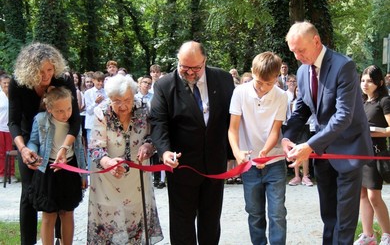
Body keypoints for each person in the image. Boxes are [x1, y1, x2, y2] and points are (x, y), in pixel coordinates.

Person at [282, 21, 373, 244]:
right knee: (329, 216)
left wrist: (310, 145)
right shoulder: (303, 70)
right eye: (293, 51)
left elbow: (344, 115)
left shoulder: (344, 66)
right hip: (323, 154)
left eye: (300, 50)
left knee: (344, 219)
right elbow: (302, 108)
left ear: (316, 41)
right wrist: (287, 136)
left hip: (349, 151)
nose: (297, 56)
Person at [150, 41, 234, 244]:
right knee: (182, 222)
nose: (189, 72)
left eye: (195, 68)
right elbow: (158, 122)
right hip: (182, 165)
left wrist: (233, 154)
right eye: (183, 66)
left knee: (211, 220)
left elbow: (232, 119)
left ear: (205, 61)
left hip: (215, 164)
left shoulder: (223, 79)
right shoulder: (164, 85)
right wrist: (164, 152)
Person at [8, 42, 81, 245]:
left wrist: (65, 147)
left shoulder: (63, 80)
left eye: (49, 70)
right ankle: (28, 242)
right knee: (29, 193)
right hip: (29, 142)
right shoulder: (18, 84)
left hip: (60, 143)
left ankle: (59, 239)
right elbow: (13, 121)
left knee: (59, 196)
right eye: (40, 72)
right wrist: (23, 150)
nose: (46, 75)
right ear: (29, 71)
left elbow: (75, 119)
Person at [87, 74, 163, 244]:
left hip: (137, 172)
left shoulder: (143, 106)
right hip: (107, 174)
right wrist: (107, 162)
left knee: (136, 215)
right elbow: (95, 147)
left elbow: (153, 135)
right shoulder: (102, 111)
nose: (123, 106)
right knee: (106, 219)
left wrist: (149, 146)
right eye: (117, 101)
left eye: (127, 100)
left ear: (133, 95)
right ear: (109, 98)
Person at [228, 51, 288, 244]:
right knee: (254, 213)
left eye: (268, 83)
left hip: (275, 161)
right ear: (252, 72)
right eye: (259, 82)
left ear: (277, 77)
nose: (262, 88)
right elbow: (233, 128)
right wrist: (237, 153)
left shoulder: (281, 96)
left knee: (277, 212)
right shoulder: (240, 92)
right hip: (249, 163)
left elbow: (275, 130)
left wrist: (266, 152)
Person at [27, 87, 87, 244]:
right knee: (49, 215)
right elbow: (33, 141)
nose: (65, 114)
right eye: (60, 111)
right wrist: (32, 153)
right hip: (47, 170)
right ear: (49, 108)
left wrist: (83, 174)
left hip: (70, 169)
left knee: (67, 213)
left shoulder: (73, 122)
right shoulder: (40, 119)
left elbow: (79, 148)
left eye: (68, 108)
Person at [354, 65, 390, 245]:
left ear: (379, 82)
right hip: (360, 152)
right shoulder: (360, 102)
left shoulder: (384, 101)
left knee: (374, 196)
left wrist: (373, 132)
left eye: (369, 81)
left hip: (375, 153)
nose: (365, 84)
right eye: (362, 80)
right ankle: (368, 235)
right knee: (361, 194)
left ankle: (387, 235)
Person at [0, 74, 15, 183]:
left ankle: (11, 174)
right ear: (0, 83)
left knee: (10, 152)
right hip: (0, 127)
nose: (6, 85)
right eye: (4, 82)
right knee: (0, 152)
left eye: (8, 83)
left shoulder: (14, 96)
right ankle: (1, 174)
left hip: (10, 128)